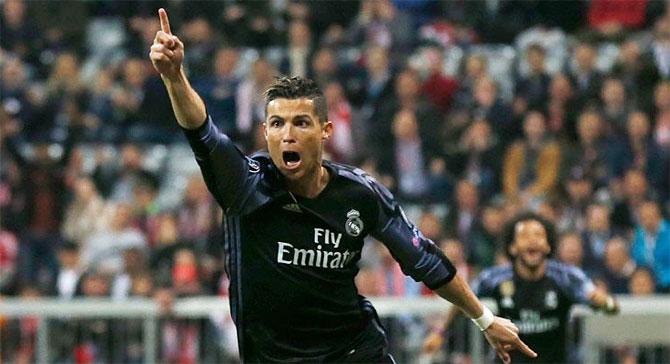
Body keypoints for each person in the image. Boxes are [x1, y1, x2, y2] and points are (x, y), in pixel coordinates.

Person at [149, 9, 536, 363]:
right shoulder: (244, 185)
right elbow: (202, 132)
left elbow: (426, 260)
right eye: (278, 124)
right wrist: (174, 77)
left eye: (301, 123)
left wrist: (485, 319)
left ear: (325, 131)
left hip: (354, 352)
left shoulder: (359, 193)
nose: (288, 135)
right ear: (265, 132)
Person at [422, 212, 619, 363]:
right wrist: (440, 332)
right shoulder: (495, 278)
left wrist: (606, 303)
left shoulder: (566, 277)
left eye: (538, 235)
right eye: (524, 236)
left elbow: (598, 298)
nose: (532, 240)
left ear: (548, 245)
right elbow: (462, 297)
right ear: (512, 247)